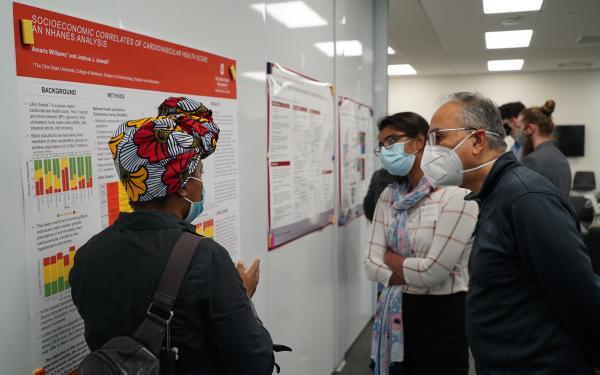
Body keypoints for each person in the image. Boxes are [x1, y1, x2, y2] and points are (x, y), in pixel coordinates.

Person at [70, 97, 275, 374]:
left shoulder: (88, 256)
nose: (202, 185)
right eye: (199, 174)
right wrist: (243, 298)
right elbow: (256, 362)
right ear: (182, 187)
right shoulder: (205, 257)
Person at [422, 91, 600, 374]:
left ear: (478, 141)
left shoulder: (526, 198)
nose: (429, 151)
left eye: (438, 137)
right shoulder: (496, 194)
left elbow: (580, 294)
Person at [363, 112, 478, 375]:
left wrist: (391, 259)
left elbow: (433, 272)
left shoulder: (456, 194)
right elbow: (369, 264)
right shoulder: (389, 196)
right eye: (382, 145)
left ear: (418, 142)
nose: (385, 151)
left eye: (392, 141)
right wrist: (409, 271)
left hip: (442, 315)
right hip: (395, 308)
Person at [518, 100, 572, 197]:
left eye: (519, 127)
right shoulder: (561, 157)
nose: (517, 133)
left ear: (530, 128)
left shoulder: (532, 160)